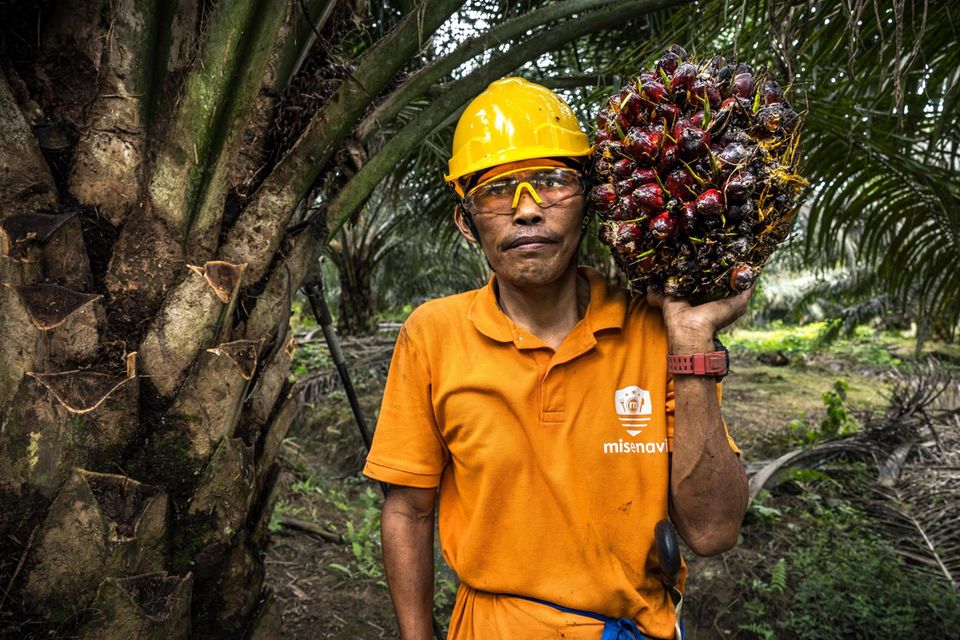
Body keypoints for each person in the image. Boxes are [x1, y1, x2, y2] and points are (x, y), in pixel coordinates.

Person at [363, 77, 751, 640]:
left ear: (591, 199)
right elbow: (408, 511)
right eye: (497, 190)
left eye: (551, 181)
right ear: (465, 222)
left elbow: (713, 532)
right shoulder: (433, 335)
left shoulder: (654, 329)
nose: (525, 211)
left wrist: (692, 343)